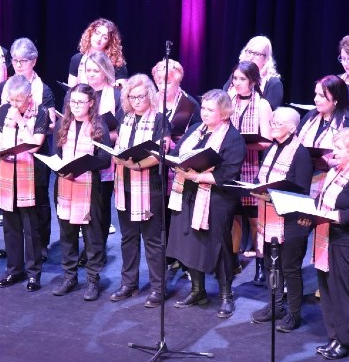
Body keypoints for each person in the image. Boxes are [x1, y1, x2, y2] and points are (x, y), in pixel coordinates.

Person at [168, 90, 246, 317]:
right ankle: (197, 290)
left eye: (210, 110)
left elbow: (229, 174)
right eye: (203, 108)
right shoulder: (195, 130)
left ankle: (226, 295)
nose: (204, 113)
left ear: (224, 113)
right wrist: (178, 164)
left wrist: (199, 176)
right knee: (190, 243)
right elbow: (176, 152)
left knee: (218, 246)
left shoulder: (233, 138)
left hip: (217, 198)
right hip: (188, 193)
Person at [303, 128, 349, 360]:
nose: (334, 152)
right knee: (327, 289)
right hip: (327, 237)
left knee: (344, 291)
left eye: (339, 149)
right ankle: (333, 337)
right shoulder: (336, 171)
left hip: (347, 242)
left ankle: (346, 341)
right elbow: (322, 200)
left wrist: (327, 215)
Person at [248, 107, 313, 331]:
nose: (273, 125)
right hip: (269, 217)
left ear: (292, 128)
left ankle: (294, 313)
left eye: (278, 123)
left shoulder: (300, 153)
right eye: (273, 122)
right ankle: (275, 306)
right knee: (270, 264)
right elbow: (261, 177)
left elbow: (303, 190)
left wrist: (271, 194)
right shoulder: (271, 149)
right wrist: (254, 188)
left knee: (290, 268)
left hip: (292, 221)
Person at [109, 75, 167, 307]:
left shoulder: (160, 119)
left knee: (152, 239)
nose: (136, 101)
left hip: (150, 186)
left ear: (150, 95)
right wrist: (115, 154)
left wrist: (138, 165)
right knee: (128, 237)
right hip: (124, 184)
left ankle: (158, 288)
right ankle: (129, 284)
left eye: (141, 96)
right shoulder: (125, 117)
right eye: (132, 97)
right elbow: (118, 146)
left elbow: (161, 152)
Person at [0, 38, 56, 256]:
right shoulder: (4, 87)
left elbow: (49, 124)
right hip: (9, 151)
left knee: (38, 200)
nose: (18, 65)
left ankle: (41, 245)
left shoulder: (43, 90)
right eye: (14, 60)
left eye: (23, 60)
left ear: (34, 61)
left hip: (35, 154)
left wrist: (27, 124)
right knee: (11, 201)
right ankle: (15, 247)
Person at [52, 84, 113, 301]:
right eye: (72, 102)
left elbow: (106, 159)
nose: (76, 106)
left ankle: (92, 279)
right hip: (64, 185)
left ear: (90, 103)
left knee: (92, 236)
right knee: (67, 235)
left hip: (90, 188)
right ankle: (69, 277)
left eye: (80, 102)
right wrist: (61, 166)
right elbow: (55, 153)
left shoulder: (99, 126)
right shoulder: (63, 124)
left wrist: (84, 166)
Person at [0, 75, 50, 291]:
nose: (14, 105)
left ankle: (34, 273)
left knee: (30, 227)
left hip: (31, 174)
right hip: (8, 172)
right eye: (11, 100)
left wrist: (21, 120)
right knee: (10, 226)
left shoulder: (41, 112)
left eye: (19, 100)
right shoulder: (3, 110)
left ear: (29, 97)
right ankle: (13, 270)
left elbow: (35, 145)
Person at [228, 61, 273, 281]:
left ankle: (260, 264)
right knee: (234, 216)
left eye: (242, 79)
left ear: (253, 81)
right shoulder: (229, 100)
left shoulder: (262, 104)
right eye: (234, 78)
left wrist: (242, 144)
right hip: (230, 167)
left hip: (252, 167)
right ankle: (233, 260)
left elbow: (267, 141)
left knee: (255, 219)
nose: (236, 83)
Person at [295, 75, 349, 198]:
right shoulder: (311, 116)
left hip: (334, 181)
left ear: (336, 99)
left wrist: (329, 162)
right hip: (304, 174)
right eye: (316, 94)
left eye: (322, 96)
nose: (316, 99)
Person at [83, 51, 122, 252]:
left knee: (100, 207)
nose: (90, 75)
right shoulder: (81, 94)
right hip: (81, 155)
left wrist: (101, 136)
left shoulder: (116, 96)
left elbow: (122, 130)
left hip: (105, 157)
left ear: (105, 72)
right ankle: (88, 249)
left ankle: (98, 250)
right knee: (84, 206)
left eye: (95, 71)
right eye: (88, 70)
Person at [221, 36, 284, 109]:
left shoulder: (273, 82)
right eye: (249, 52)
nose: (251, 57)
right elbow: (223, 99)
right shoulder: (236, 75)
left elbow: (271, 113)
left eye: (257, 54)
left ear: (266, 58)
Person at [67, 18, 129, 87]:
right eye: (97, 33)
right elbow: (70, 91)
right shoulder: (77, 59)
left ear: (109, 42)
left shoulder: (117, 63)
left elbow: (121, 93)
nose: (99, 38)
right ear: (90, 33)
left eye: (105, 37)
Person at [152, 59, 199, 148]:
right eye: (159, 83)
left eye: (168, 83)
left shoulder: (189, 104)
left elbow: (199, 134)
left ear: (178, 82)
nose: (163, 87)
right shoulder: (151, 101)